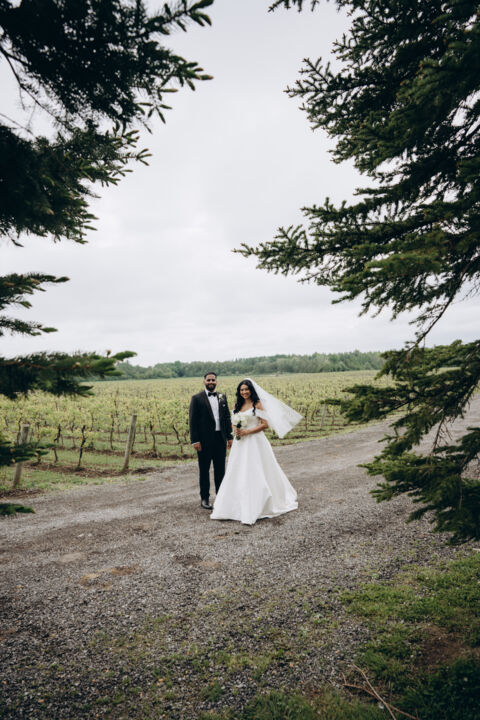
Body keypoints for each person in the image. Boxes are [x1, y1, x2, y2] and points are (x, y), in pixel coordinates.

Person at [211, 378, 302, 525]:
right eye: (242, 390)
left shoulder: (257, 404)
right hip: (240, 443)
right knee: (237, 470)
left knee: (256, 469)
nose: (244, 392)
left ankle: (260, 503)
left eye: (246, 389)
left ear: (251, 390)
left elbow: (265, 424)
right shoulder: (236, 405)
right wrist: (236, 430)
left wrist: (247, 431)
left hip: (255, 441)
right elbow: (233, 422)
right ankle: (235, 506)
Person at [189, 372, 233, 510]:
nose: (211, 382)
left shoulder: (222, 397)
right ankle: (205, 498)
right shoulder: (196, 398)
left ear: (216, 381)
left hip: (220, 439)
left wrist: (230, 437)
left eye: (213, 380)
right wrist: (195, 440)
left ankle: (221, 498)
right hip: (204, 441)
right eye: (208, 380)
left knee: (220, 470)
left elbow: (227, 418)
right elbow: (192, 421)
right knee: (204, 470)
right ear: (204, 381)